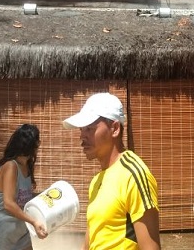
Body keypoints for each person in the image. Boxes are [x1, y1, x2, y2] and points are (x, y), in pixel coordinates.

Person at [63, 92, 160, 250]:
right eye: (81, 130)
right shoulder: (96, 182)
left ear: (114, 129)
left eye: (90, 129)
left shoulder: (133, 174)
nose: (82, 137)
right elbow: (92, 238)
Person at [0, 123, 48, 250]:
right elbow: (9, 203)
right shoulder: (11, 166)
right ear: (31, 145)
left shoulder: (27, 167)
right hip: (1, 230)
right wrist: (33, 221)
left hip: (19, 228)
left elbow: (23, 196)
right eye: (37, 142)